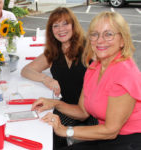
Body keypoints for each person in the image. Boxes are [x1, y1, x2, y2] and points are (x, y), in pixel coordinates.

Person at [32, 11, 141, 150]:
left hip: (129, 141)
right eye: (95, 34)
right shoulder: (94, 67)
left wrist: (66, 130)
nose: (100, 40)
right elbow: (82, 112)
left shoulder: (124, 74)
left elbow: (111, 131)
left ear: (122, 40)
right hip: (106, 137)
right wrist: (54, 103)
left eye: (108, 34)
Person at [21, 7, 97, 149]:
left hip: (93, 111)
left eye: (65, 24)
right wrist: (46, 79)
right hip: (69, 106)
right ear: (51, 30)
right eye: (55, 25)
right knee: (49, 130)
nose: (61, 29)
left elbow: (83, 114)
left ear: (73, 25)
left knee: (90, 144)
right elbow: (26, 70)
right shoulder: (53, 52)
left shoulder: (89, 48)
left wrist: (54, 103)